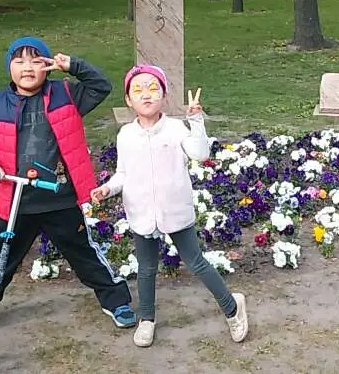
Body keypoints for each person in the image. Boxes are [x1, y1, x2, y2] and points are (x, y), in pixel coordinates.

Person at [0, 36, 136, 336]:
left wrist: (73, 65)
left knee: (84, 253)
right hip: (16, 202)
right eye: (20, 61)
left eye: (36, 61)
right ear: (9, 67)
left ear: (48, 66)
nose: (27, 68)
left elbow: (101, 86)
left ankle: (116, 301)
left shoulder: (66, 94)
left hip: (59, 198)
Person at [90, 65, 249, 348]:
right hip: (141, 212)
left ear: (164, 96)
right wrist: (107, 189)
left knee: (196, 262)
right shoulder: (126, 134)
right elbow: (122, 173)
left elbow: (200, 153)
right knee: (146, 268)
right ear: (128, 100)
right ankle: (147, 319)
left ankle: (232, 308)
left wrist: (196, 120)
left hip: (175, 211)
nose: (146, 95)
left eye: (153, 89)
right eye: (138, 90)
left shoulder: (176, 129)